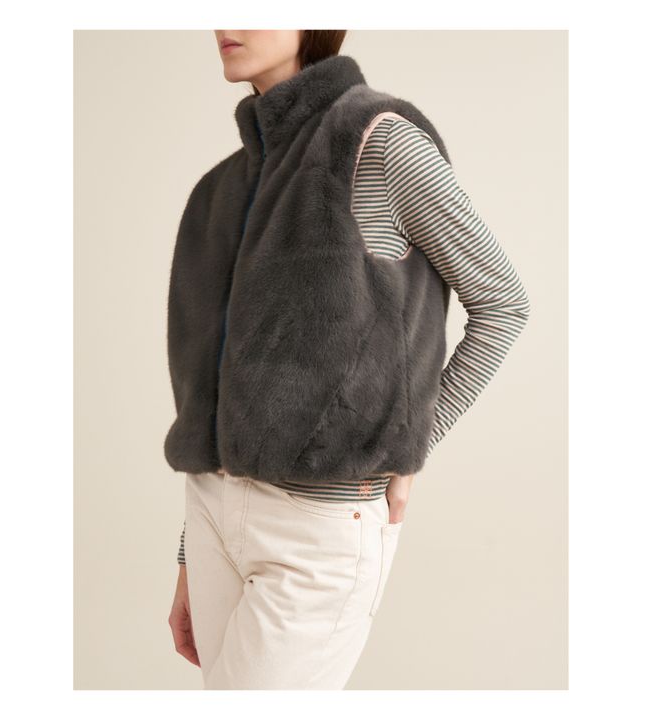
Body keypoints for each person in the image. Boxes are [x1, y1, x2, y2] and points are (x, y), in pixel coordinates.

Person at [166, 30, 531, 690]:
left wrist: (411, 445)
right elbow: (213, 391)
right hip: (212, 512)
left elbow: (502, 302)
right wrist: (192, 547)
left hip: (319, 526)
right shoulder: (220, 188)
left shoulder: (379, 143)